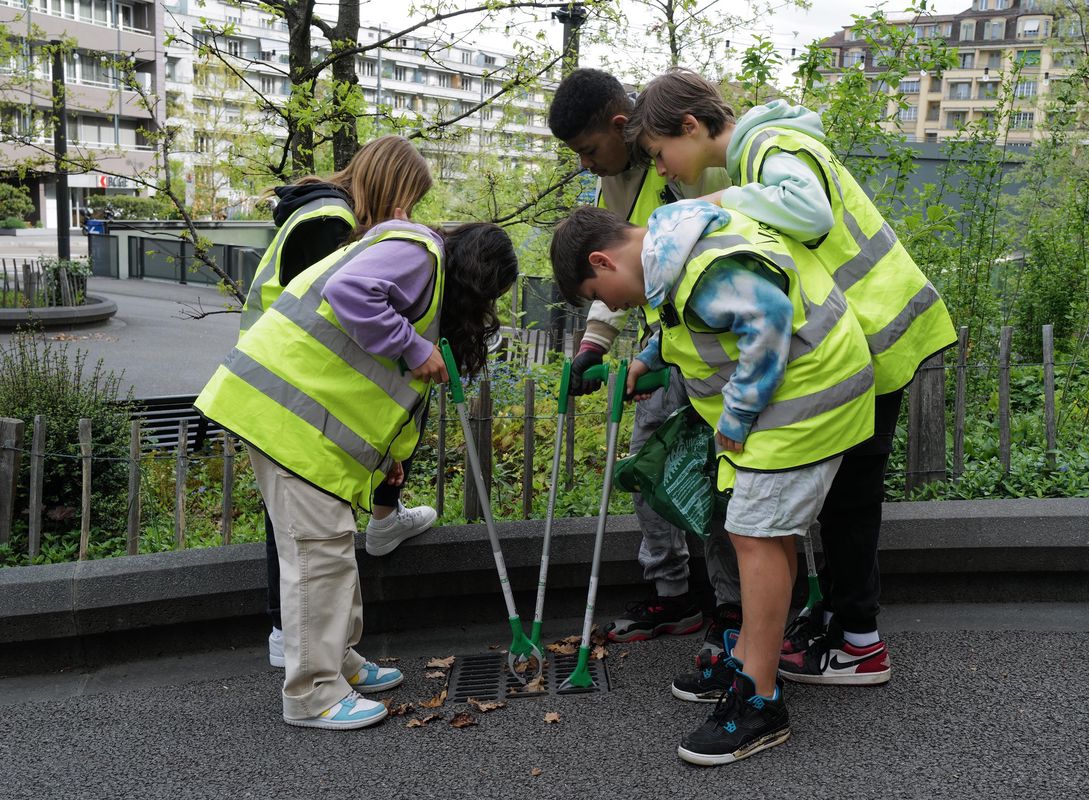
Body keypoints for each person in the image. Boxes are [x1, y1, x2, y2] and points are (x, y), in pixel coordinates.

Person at [625, 69, 957, 688]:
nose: (664, 169)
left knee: (851, 502)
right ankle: (832, 619)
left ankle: (858, 640)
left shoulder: (770, 145)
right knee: (838, 500)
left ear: (691, 127)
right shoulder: (762, 152)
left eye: (660, 152)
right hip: (871, 337)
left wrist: (719, 202)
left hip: (879, 335)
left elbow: (808, 212)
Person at [197, 137, 519, 730]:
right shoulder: (420, 251)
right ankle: (313, 694)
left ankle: (338, 661)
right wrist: (413, 344)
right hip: (281, 415)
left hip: (300, 423)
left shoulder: (416, 274)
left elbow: (376, 381)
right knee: (315, 554)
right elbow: (350, 296)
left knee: (332, 548)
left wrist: (388, 460)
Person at [550, 201, 875, 764]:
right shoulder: (674, 251)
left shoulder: (696, 264)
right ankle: (754, 661)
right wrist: (649, 357)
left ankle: (761, 700)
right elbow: (696, 320)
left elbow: (768, 316)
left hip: (801, 401)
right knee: (763, 534)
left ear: (603, 261)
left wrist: (737, 414)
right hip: (803, 393)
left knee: (752, 535)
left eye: (602, 294)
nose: (613, 306)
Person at [548, 67, 742, 651]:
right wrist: (595, 345)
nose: (586, 164)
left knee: (718, 471)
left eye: (588, 150)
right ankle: (676, 594)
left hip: (718, 338)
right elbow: (617, 261)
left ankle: (732, 609)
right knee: (648, 460)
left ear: (619, 125)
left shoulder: (694, 158)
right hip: (668, 340)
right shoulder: (617, 175)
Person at [242, 140, 439, 670]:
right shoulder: (329, 221)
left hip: (276, 385)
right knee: (308, 536)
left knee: (305, 528)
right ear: (389, 184)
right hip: (287, 391)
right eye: (408, 200)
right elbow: (339, 312)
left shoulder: (317, 209)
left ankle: (318, 649)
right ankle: (296, 644)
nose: (406, 215)